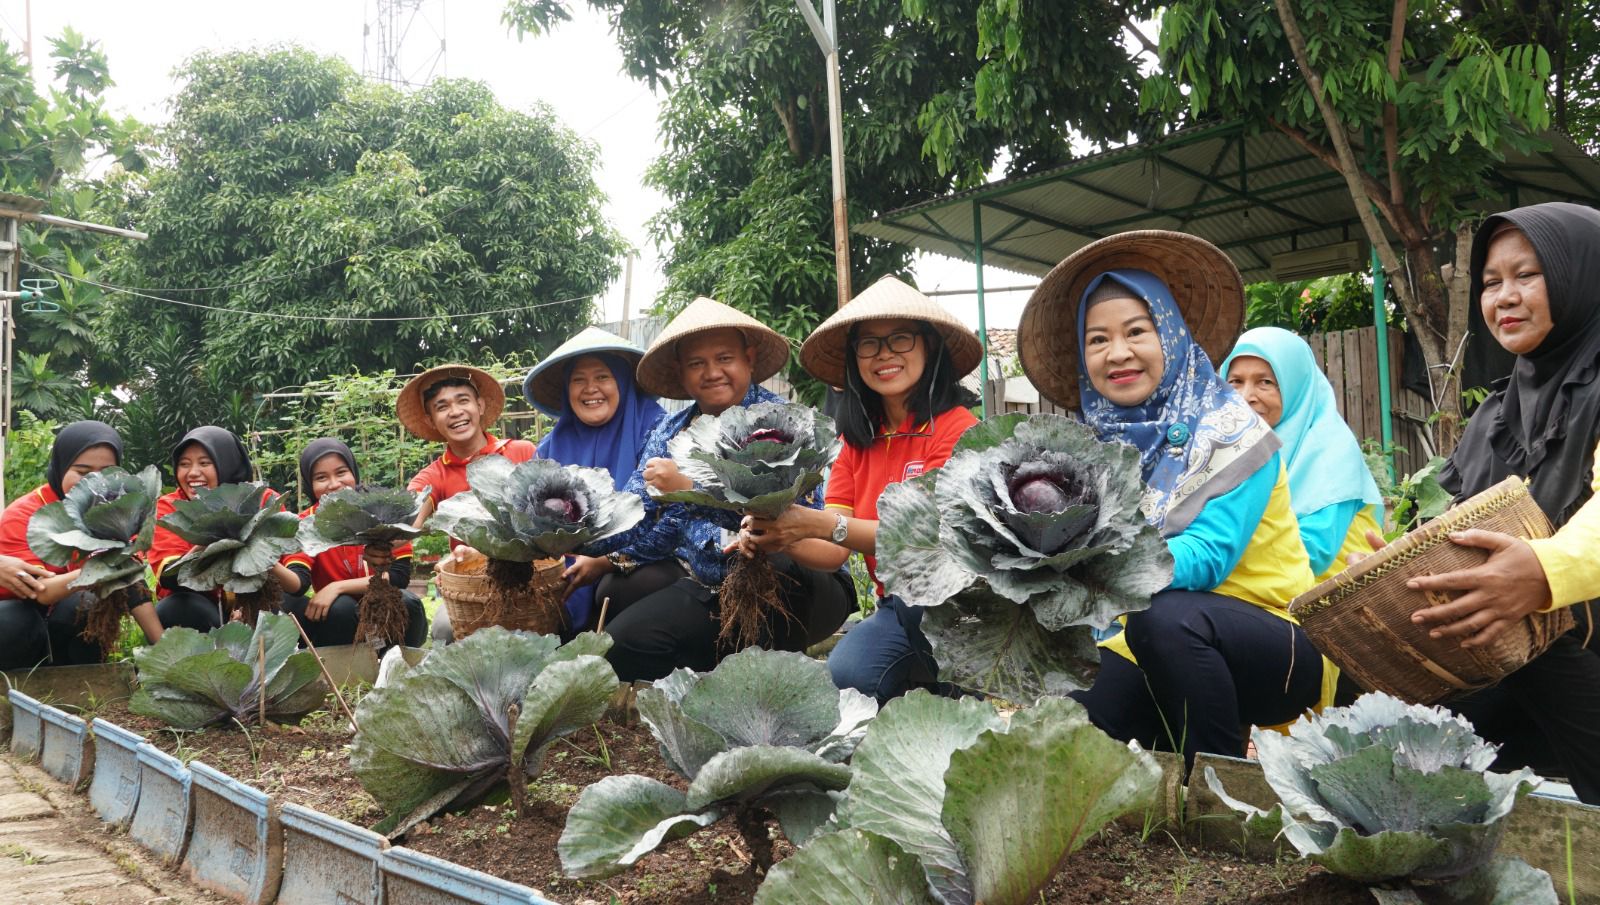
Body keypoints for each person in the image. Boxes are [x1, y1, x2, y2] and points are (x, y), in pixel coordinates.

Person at [1017, 231, 1332, 765]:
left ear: (1170, 335)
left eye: (1136, 331)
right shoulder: (1093, 451)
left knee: (1166, 618)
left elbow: (1208, 559)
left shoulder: (1234, 431)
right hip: (1141, 639)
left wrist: (1093, 561)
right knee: (1071, 719)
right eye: (1096, 340)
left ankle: (1218, 785)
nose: (1118, 353)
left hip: (1275, 641)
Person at [1391, 202, 1600, 804]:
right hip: (1533, 664)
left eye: (1527, 275)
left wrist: (1540, 574)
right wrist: (1399, 563)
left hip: (1570, 657)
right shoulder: (1496, 415)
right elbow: (1449, 524)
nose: (1504, 296)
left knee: (1530, 639)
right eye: (1490, 282)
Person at [570, 297, 853, 681]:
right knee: (624, 644)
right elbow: (639, 518)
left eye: (724, 358)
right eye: (696, 364)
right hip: (715, 585)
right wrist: (575, 540)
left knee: (778, 564)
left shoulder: (783, 422)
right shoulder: (670, 434)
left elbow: (791, 523)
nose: (712, 372)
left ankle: (775, 678)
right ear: (680, 373)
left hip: (802, 581)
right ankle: (718, 678)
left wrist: (690, 488)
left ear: (749, 358)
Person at [738, 276, 980, 703]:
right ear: (855, 360)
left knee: (924, 613)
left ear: (928, 347)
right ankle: (926, 686)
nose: (884, 354)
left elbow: (932, 538)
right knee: (847, 674)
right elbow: (833, 550)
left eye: (900, 339)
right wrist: (781, 533)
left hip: (962, 607)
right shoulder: (855, 444)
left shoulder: (959, 430)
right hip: (897, 607)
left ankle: (959, 694)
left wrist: (817, 523)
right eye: (868, 344)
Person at [522, 327, 665, 633]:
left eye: (602, 377)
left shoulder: (654, 428)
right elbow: (524, 518)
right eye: (578, 380)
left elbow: (666, 517)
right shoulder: (550, 448)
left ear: (622, 382)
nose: (590, 389)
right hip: (565, 566)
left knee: (611, 590)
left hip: (644, 560)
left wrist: (605, 560)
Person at [1223, 327, 1385, 582]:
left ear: (1296, 386)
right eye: (1235, 382)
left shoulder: (1331, 451)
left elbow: (1314, 552)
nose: (1246, 397)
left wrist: (1216, 547)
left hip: (1326, 608)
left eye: (1265, 382)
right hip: (1260, 594)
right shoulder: (1228, 451)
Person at [0, 421, 163, 667]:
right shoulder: (23, 514)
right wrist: (101, 569)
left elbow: (130, 580)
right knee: (12, 619)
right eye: (83, 472)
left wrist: (166, 652)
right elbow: (39, 591)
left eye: (106, 471)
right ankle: (17, 687)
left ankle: (81, 680)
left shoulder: (113, 511)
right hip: (19, 628)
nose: (94, 481)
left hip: (66, 623)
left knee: (85, 603)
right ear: (61, 466)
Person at [397, 364, 537, 643]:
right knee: (445, 630)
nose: (456, 412)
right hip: (471, 586)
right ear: (430, 419)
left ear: (480, 405)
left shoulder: (522, 452)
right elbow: (406, 519)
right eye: (442, 406)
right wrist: (384, 536)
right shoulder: (433, 476)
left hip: (531, 575)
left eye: (463, 400)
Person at [148, 426, 311, 631]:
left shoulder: (262, 499)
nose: (193, 473)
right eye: (184, 464)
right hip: (202, 609)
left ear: (227, 463)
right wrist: (213, 536)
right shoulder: (169, 507)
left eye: (205, 463)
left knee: (297, 607)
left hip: (257, 601)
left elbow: (299, 583)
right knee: (176, 609)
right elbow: (169, 577)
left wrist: (257, 555)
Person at [288, 438, 428, 648]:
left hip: (377, 600)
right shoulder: (307, 523)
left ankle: (399, 665)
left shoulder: (380, 509)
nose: (334, 484)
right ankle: (347, 671)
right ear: (310, 483)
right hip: (339, 617)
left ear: (353, 472)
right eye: (321, 477)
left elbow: (399, 576)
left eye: (341, 473)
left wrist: (337, 587)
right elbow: (299, 577)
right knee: (340, 607)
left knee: (407, 602)